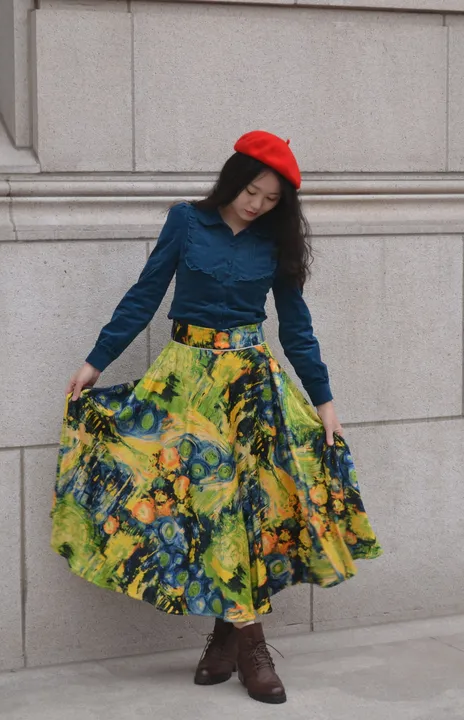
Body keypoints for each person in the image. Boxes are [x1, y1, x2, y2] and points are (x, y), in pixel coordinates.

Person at [52, 130, 382, 704]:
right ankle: (248, 647)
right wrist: (95, 361)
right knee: (208, 506)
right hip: (186, 386)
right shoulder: (186, 221)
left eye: (271, 199)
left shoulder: (275, 242)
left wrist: (324, 401)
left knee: (245, 512)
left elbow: (296, 326)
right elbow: (144, 295)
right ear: (233, 181)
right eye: (252, 192)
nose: (257, 205)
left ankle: (230, 645)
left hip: (252, 390)